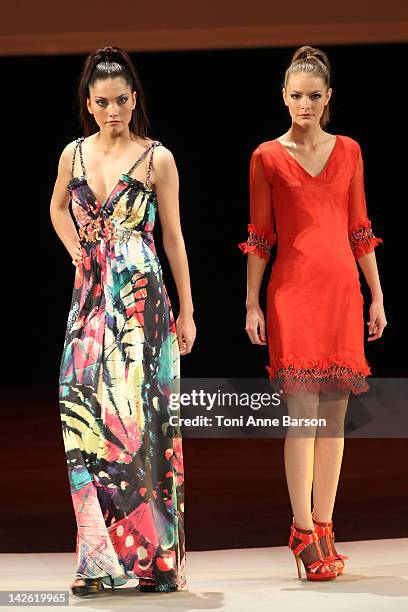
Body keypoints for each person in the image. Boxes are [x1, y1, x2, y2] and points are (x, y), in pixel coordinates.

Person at [50, 46, 196, 596]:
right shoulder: (75, 156)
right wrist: (76, 252)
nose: (112, 111)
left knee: (138, 428)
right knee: (81, 414)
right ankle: (97, 560)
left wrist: (188, 309)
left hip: (141, 304)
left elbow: (176, 237)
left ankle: (155, 560)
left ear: (134, 100)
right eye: (102, 103)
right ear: (89, 104)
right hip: (88, 300)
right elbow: (57, 208)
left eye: (120, 101)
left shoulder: (157, 157)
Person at [238, 45, 386, 581]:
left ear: (328, 99)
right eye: (296, 95)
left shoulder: (349, 150)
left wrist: (377, 293)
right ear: (284, 97)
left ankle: (325, 526)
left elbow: (359, 227)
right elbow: (260, 235)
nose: (304, 104)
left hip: (343, 291)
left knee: (335, 421)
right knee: (303, 419)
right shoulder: (266, 156)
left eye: (314, 96)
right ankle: (301, 530)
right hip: (292, 295)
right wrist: (252, 301)